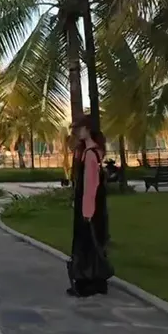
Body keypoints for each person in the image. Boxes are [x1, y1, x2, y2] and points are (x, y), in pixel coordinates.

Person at [67, 118, 113, 297]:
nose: (77, 132)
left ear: (87, 129)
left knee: (87, 243)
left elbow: (90, 186)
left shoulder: (90, 154)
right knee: (93, 243)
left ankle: (89, 282)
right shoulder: (90, 152)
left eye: (79, 129)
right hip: (93, 206)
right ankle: (95, 281)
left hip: (89, 207)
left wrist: (87, 211)